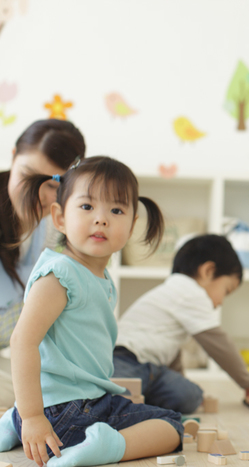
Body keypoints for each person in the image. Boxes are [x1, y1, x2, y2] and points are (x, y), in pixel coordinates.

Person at [0, 156, 183, 467]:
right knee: (172, 426)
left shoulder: (91, 274)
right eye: (86, 207)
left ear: (132, 224)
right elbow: (22, 342)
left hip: (62, 408)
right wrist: (32, 417)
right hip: (68, 413)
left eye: (116, 210)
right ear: (59, 217)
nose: (101, 219)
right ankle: (104, 446)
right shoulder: (61, 274)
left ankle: (13, 423)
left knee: (129, 405)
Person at [112, 233, 249, 414]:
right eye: (226, 290)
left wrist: (179, 380)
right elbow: (219, 344)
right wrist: (248, 382)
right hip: (124, 360)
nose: (221, 302)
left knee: (190, 395)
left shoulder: (177, 294)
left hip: (153, 370)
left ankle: (139, 401)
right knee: (116, 398)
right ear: (208, 271)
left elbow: (172, 350)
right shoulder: (190, 293)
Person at [0, 119, 85, 406]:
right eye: (26, 175)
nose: (34, 194)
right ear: (12, 157)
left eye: (51, 184)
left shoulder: (54, 227)